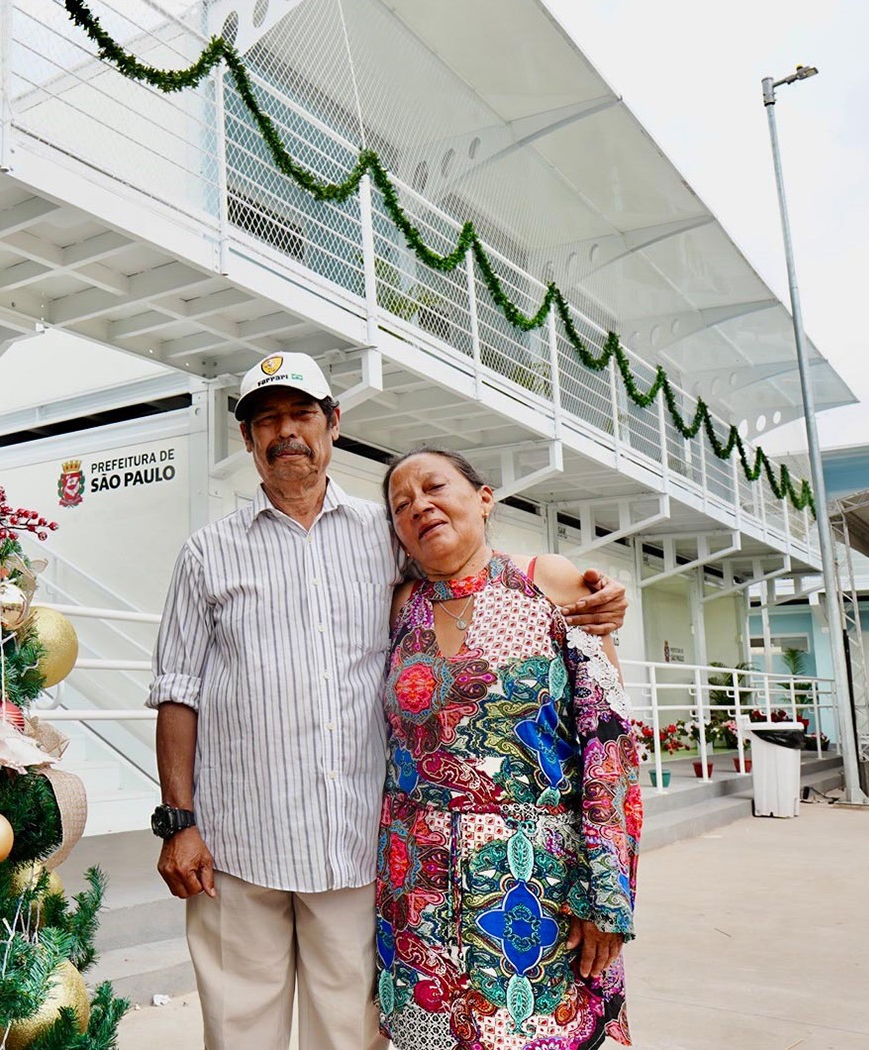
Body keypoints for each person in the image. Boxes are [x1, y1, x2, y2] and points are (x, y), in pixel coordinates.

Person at [147, 353, 628, 1050]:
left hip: (354, 847)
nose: (286, 432)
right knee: (237, 1031)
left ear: (332, 425)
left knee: (348, 1035)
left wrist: (583, 588)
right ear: (247, 440)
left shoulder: (387, 535)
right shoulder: (206, 554)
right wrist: (177, 821)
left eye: (301, 415)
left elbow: (473, 563)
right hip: (237, 842)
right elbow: (176, 691)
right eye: (266, 420)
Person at [375, 447, 640, 1049]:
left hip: (538, 889)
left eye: (435, 487)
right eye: (401, 504)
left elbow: (609, 744)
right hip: (415, 889)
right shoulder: (399, 609)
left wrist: (604, 894)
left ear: (484, 498)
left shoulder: (550, 581)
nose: (420, 506)